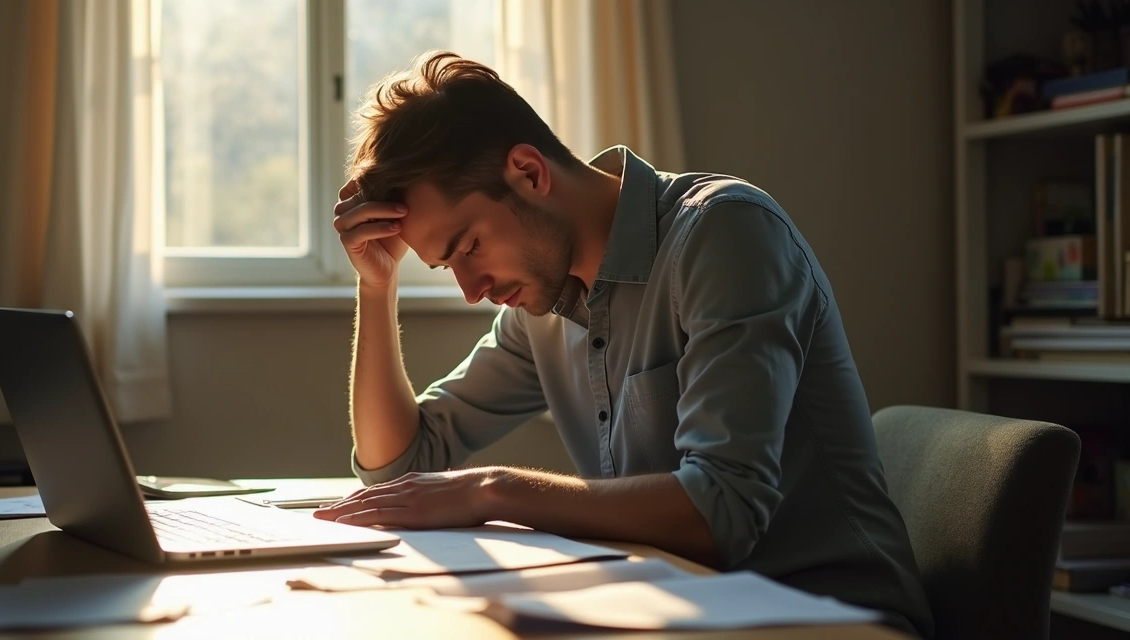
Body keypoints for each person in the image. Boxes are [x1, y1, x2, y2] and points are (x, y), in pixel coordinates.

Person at [312, 51, 933, 638]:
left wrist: (492, 489)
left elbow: (722, 510)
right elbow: (396, 468)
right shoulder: (544, 308)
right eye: (449, 267)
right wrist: (376, 287)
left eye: (468, 246)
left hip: (829, 618)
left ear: (528, 173)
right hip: (672, 608)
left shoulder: (725, 233)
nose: (473, 290)